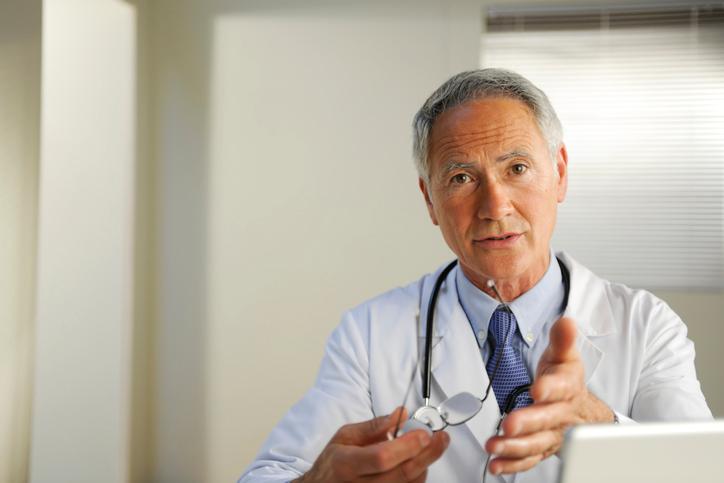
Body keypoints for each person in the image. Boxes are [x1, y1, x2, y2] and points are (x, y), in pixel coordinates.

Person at [239, 69, 712, 483]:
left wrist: (601, 428)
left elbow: (704, 472)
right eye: (461, 178)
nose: (495, 206)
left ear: (560, 173)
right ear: (430, 200)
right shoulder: (369, 335)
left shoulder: (647, 326)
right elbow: (267, 475)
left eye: (517, 168)